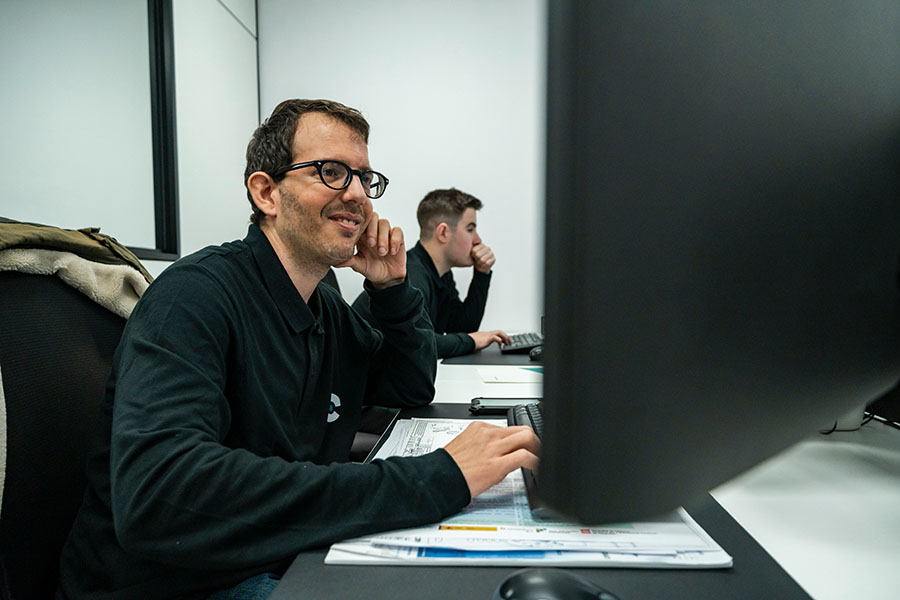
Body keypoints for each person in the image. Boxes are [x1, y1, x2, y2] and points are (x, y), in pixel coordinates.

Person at [56, 99, 539, 600]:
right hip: (176, 584)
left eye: (364, 178)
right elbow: (160, 497)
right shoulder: (194, 297)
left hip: (274, 556)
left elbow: (410, 383)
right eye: (332, 172)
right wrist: (435, 479)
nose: (357, 194)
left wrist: (392, 288)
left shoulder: (323, 307)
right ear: (266, 192)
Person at [353, 188, 511, 358]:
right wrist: (472, 341)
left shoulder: (440, 274)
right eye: (470, 229)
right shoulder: (412, 275)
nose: (477, 239)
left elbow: (462, 329)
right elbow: (420, 344)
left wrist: (482, 273)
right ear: (443, 233)